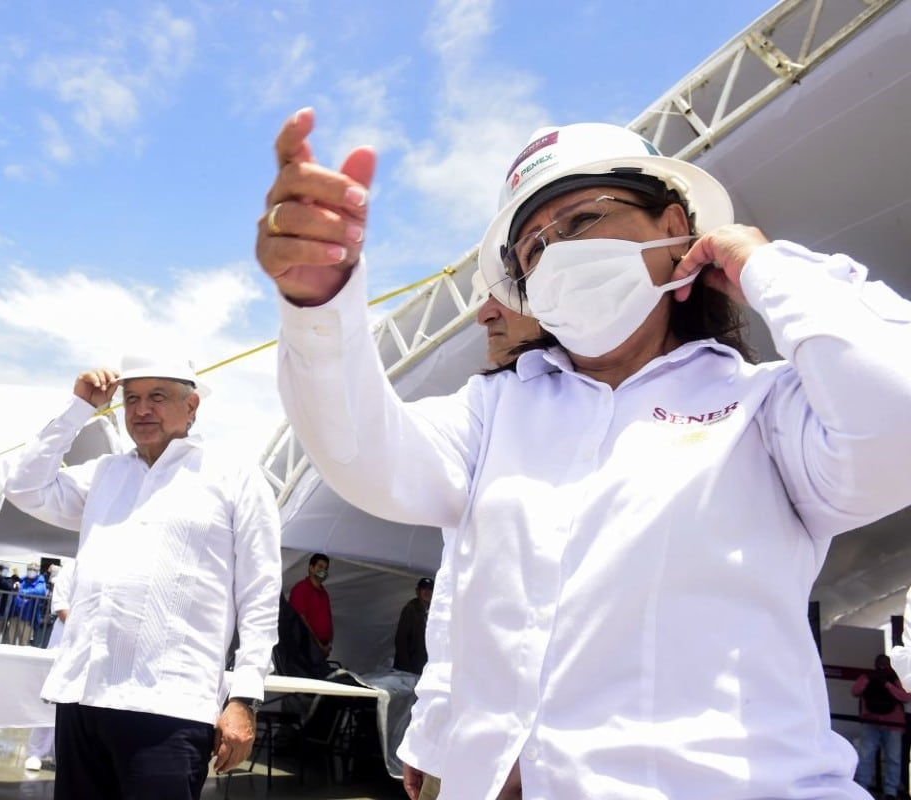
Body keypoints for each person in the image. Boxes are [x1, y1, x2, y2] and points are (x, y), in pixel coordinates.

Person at [257, 109, 911, 799]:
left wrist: (762, 265)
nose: (557, 253)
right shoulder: (495, 412)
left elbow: (897, 413)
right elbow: (365, 456)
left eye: (579, 221)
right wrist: (319, 305)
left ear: (672, 226)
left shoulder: (768, 408)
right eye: (533, 248)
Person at [2, 353, 282, 799]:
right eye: (131, 398)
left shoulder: (234, 477)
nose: (141, 410)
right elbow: (22, 485)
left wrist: (244, 698)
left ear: (192, 407)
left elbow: (260, 595)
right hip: (83, 697)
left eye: (158, 397)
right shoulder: (106, 473)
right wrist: (79, 409)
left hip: (169, 706)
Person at [400, 295, 541, 800]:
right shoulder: (485, 408)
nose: (485, 312)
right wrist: (431, 729)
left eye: (514, 291)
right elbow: (455, 611)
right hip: (471, 751)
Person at [24, 561, 74, 772]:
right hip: (65, 640)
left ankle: (59, 752)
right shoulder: (72, 568)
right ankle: (36, 752)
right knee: (50, 699)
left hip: (89, 646)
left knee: (72, 703)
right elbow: (61, 605)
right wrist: (83, 629)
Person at [851, 654, 910, 799]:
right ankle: (862, 788)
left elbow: (905, 697)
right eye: (880, 664)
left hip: (892, 724)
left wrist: (887, 684)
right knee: (866, 757)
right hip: (871, 722)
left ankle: (890, 791)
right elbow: (855, 691)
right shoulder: (868, 677)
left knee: (893, 758)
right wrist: (868, 680)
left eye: (885, 665)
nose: (882, 667)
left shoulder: (893, 679)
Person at [289, 552, 333, 658]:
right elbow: (301, 621)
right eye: (320, 566)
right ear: (311, 568)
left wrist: (329, 645)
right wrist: (318, 645)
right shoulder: (300, 589)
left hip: (322, 650)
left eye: (326, 568)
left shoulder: (324, 593)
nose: (323, 571)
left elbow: (329, 620)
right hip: (306, 649)